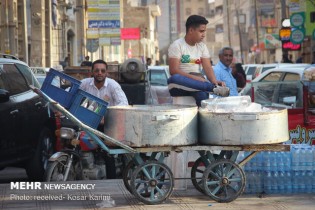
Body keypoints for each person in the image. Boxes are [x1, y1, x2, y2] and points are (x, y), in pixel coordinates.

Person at [80, 59, 128, 179]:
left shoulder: (113, 85)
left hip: (108, 124)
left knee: (108, 152)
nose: (99, 73)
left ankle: (111, 179)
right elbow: (71, 94)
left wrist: (106, 116)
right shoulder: (85, 83)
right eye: (96, 70)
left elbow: (123, 103)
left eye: (102, 71)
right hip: (88, 123)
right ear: (92, 72)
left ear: (106, 73)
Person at [167, 15, 225, 106]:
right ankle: (212, 88)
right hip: (179, 85)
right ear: (191, 30)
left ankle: (212, 89)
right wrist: (195, 78)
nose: (204, 35)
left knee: (202, 94)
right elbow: (173, 70)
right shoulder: (177, 45)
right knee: (174, 78)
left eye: (204, 31)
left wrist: (215, 81)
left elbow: (208, 68)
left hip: (197, 84)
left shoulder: (202, 47)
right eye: (201, 31)